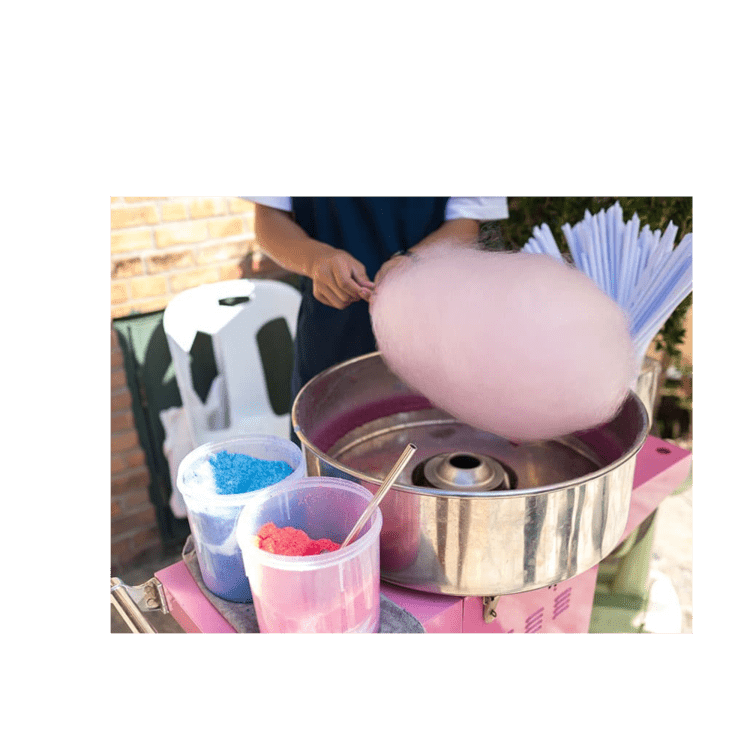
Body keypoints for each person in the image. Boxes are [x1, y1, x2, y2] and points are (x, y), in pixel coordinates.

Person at [243, 196, 509, 414]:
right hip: (332, 338)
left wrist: (415, 262)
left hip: (437, 342)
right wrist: (315, 260)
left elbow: (466, 222)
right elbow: (269, 220)